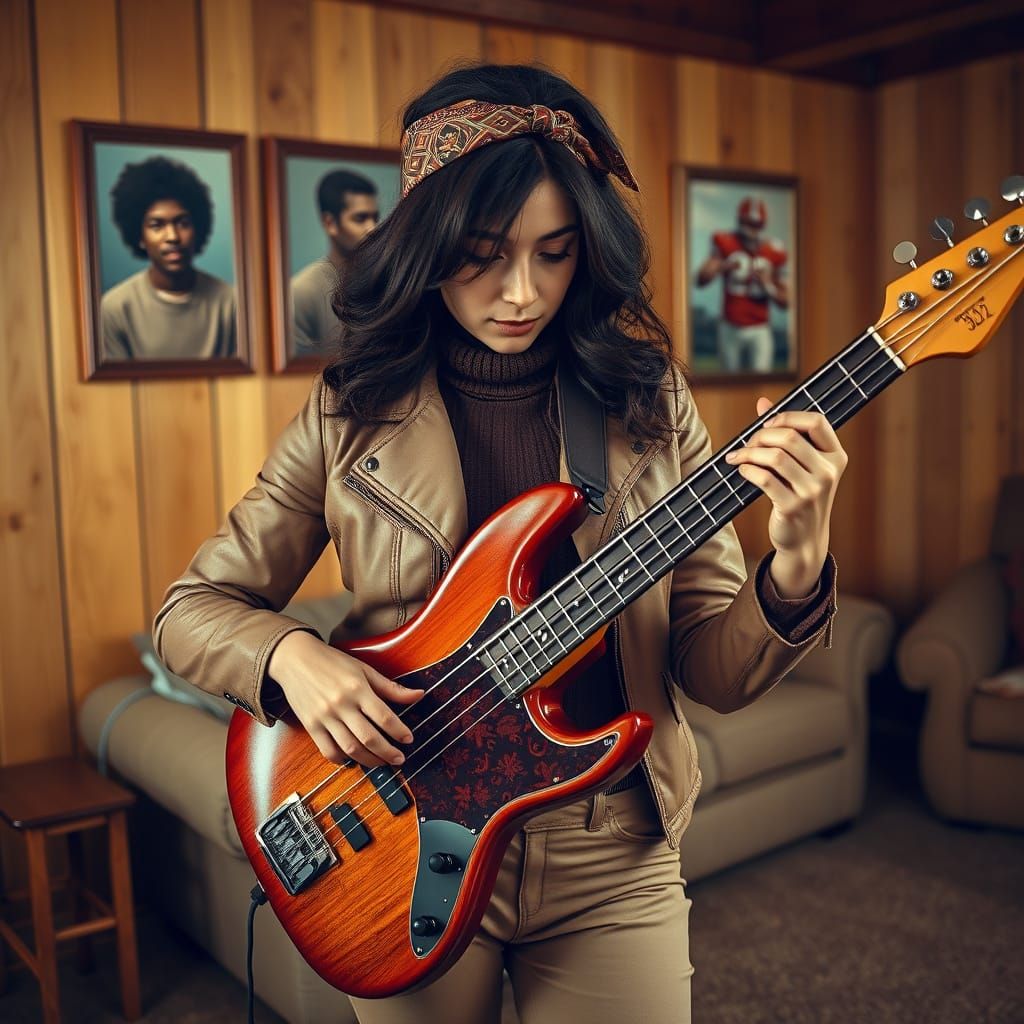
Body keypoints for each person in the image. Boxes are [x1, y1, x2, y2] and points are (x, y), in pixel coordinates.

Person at [154, 63, 844, 1024]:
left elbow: (713, 674)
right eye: (483, 255)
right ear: (428, 246)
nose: (522, 292)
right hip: (399, 842)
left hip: (610, 844)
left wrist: (797, 562)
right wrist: (290, 656)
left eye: (555, 254)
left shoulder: (650, 400)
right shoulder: (348, 410)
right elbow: (187, 614)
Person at [100, 155, 236, 361]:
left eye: (182, 223)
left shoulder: (230, 302)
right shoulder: (116, 308)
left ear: (198, 228)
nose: (172, 236)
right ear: (140, 237)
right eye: (157, 225)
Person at [290, 168, 380, 356]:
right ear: (330, 223)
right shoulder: (303, 292)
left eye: (375, 218)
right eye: (360, 218)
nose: (372, 228)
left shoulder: (384, 281)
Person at [695, 195, 789, 372]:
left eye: (757, 225)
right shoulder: (725, 242)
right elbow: (701, 279)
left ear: (763, 225)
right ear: (739, 221)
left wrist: (768, 284)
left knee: (763, 381)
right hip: (730, 324)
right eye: (748, 224)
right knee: (729, 380)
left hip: (760, 326)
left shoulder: (775, 251)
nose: (752, 231)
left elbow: (786, 301)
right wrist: (722, 266)